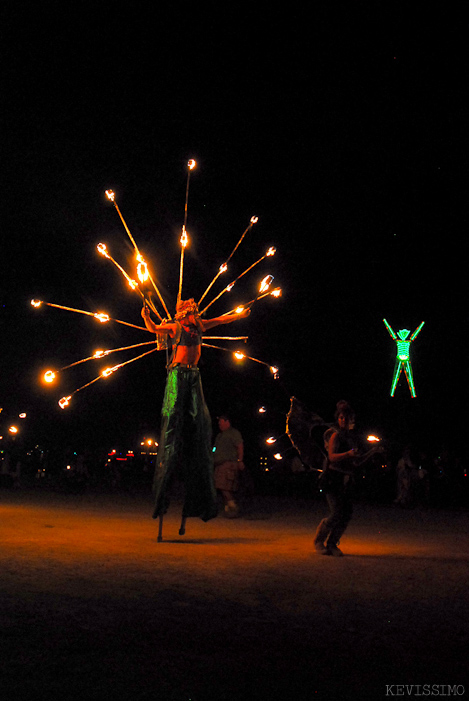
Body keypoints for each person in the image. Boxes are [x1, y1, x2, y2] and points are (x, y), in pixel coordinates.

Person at [141, 298, 250, 523]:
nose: (195, 309)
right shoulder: (175, 326)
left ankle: (201, 499)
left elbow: (221, 319)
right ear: (184, 312)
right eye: (191, 306)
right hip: (177, 374)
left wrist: (239, 315)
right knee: (173, 422)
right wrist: (146, 316)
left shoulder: (199, 326)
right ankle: (162, 494)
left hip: (193, 376)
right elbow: (152, 329)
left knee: (200, 422)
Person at [314, 400, 358, 557]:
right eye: (341, 417)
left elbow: (355, 461)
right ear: (337, 419)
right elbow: (332, 457)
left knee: (347, 514)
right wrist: (348, 454)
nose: (343, 420)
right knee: (336, 512)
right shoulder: (335, 435)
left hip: (346, 480)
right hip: (333, 479)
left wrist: (371, 454)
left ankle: (332, 543)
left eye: (346, 417)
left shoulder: (351, 437)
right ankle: (319, 541)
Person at [213, 415, 245, 517]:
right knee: (219, 486)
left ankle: (233, 506)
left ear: (227, 422)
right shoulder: (220, 436)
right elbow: (215, 448)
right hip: (219, 464)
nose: (219, 424)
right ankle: (228, 507)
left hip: (228, 464)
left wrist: (240, 460)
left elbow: (240, 446)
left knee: (225, 486)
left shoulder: (233, 433)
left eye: (221, 422)